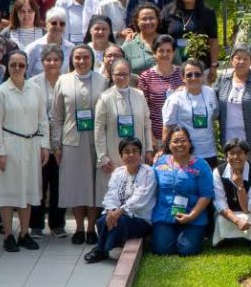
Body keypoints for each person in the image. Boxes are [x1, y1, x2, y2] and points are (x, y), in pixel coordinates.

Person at [0, 50, 47, 252]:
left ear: (26, 67)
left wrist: (44, 145)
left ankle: (24, 233)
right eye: (13, 64)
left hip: (31, 145)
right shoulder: (1, 92)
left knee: (28, 189)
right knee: (8, 190)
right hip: (10, 144)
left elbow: (42, 119)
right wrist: (0, 152)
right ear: (8, 66)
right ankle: (8, 235)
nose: (16, 68)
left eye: (21, 65)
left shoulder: (35, 89)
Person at [51, 44, 108, 245]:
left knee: (93, 185)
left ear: (92, 59)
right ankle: (78, 227)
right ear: (72, 60)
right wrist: (56, 143)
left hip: (96, 141)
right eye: (77, 58)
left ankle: (91, 227)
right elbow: (56, 116)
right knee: (76, 186)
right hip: (71, 141)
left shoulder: (102, 81)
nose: (82, 61)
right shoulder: (63, 81)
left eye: (85, 57)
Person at [84, 136, 156, 264]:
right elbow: (111, 195)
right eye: (126, 152)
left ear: (140, 153)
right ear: (121, 155)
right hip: (119, 216)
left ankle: (101, 249)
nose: (131, 155)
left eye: (135, 151)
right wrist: (111, 211)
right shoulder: (118, 172)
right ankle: (105, 248)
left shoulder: (148, 172)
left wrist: (119, 212)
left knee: (121, 222)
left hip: (141, 219)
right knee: (101, 221)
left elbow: (140, 198)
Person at [150, 125, 215, 256]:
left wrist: (191, 216)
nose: (179, 144)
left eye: (183, 140)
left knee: (187, 250)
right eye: (175, 141)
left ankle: (188, 236)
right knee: (162, 250)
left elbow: (206, 195)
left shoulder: (201, 165)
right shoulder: (159, 163)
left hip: (193, 216)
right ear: (168, 144)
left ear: (190, 143)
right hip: (164, 216)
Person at [95, 58, 154, 200]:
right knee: (114, 196)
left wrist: (150, 149)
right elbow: (99, 129)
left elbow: (147, 122)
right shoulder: (104, 98)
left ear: (130, 75)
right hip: (113, 155)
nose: (121, 77)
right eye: (117, 74)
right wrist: (102, 157)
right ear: (111, 75)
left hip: (137, 153)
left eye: (125, 74)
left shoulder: (139, 95)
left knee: (137, 195)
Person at [28, 47, 67, 238]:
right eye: (48, 60)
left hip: (62, 142)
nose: (52, 63)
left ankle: (57, 224)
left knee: (59, 184)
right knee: (39, 183)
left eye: (56, 60)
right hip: (39, 141)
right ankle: (36, 224)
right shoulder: (33, 84)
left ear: (62, 61)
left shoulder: (68, 81)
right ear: (42, 62)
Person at [162, 58, 218, 167]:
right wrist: (167, 154)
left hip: (209, 152)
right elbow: (167, 128)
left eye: (197, 74)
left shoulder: (210, 92)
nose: (193, 78)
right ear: (182, 78)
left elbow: (215, 115)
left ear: (203, 76)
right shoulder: (175, 99)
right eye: (189, 75)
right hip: (185, 154)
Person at [211, 138, 251, 246]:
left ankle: (246, 240)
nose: (236, 157)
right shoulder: (218, 172)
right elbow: (220, 203)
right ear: (226, 157)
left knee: (247, 218)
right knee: (221, 219)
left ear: (246, 155)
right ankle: (228, 241)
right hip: (228, 213)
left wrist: (240, 186)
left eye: (240, 153)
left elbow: (248, 209)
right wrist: (236, 221)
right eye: (231, 154)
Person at [160, 0, 219, 69]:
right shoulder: (168, 11)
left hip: (200, 66)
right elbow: (157, 35)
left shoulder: (207, 12)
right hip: (172, 66)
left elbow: (213, 41)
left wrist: (214, 66)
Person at [138, 34, 183, 147]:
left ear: (173, 53)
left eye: (168, 51)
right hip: (156, 138)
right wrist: (151, 139)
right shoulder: (146, 77)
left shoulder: (183, 74)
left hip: (181, 137)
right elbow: (141, 110)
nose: (165, 54)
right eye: (161, 51)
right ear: (154, 53)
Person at [25, 7, 75, 77]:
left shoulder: (71, 49)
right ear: (46, 24)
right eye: (54, 23)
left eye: (62, 24)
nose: (58, 26)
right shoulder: (33, 48)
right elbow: (26, 74)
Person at [121, 3, 162, 74]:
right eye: (144, 19)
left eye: (151, 18)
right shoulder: (128, 45)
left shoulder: (167, 42)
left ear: (157, 20)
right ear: (137, 21)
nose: (148, 22)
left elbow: (178, 70)